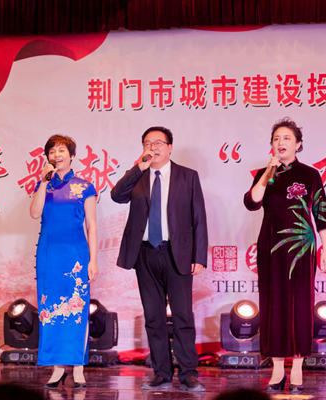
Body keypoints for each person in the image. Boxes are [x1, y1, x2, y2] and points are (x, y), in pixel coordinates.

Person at [111, 126, 208, 392]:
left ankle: (188, 373)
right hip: (144, 253)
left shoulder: (187, 176)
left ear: (170, 147)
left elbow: (199, 217)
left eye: (158, 143)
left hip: (177, 253)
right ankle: (162, 372)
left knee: (182, 316)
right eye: (147, 143)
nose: (152, 148)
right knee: (153, 317)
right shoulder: (138, 175)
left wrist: (199, 256)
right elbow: (117, 196)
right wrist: (138, 168)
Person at [244, 118, 326, 392]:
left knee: (300, 304)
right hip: (271, 247)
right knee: (273, 305)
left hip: (301, 248)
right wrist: (267, 172)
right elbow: (251, 202)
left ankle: (297, 369)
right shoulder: (265, 173)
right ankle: (277, 370)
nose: (280, 143)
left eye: (286, 138)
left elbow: (321, 212)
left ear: (298, 144)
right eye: (276, 139)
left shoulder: (310, 174)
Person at [30, 134, 98, 389]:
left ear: (72, 156)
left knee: (76, 310)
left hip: (75, 256)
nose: (56, 155)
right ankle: (57, 368)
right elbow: (35, 213)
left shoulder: (85, 186)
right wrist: (42, 182)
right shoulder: (44, 185)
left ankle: (78, 367)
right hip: (49, 254)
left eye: (61, 150)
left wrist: (93, 260)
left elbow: (91, 226)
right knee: (49, 310)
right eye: (52, 151)